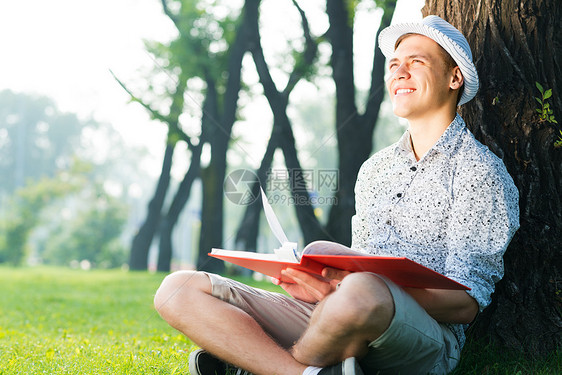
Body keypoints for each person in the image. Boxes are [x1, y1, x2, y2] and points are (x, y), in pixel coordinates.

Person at [153, 15, 520, 375]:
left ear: (454, 77)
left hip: (422, 337)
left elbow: (466, 304)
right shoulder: (375, 170)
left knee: (362, 290)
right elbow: (358, 264)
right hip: (336, 315)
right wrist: (321, 284)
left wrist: (353, 289)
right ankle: (302, 371)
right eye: (393, 64)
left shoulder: (479, 171)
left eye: (416, 62)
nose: (399, 73)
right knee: (178, 289)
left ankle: (251, 362)